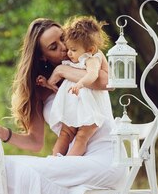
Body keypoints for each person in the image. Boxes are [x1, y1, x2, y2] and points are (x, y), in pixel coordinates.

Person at [0, 18, 125, 194]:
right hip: (73, 159)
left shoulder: (87, 60)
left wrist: (63, 70)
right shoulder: (43, 89)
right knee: (6, 164)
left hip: (106, 159)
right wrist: (4, 134)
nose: (64, 48)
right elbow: (34, 142)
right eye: (53, 47)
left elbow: (107, 82)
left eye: (62, 39)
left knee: (31, 170)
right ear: (42, 57)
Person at [40, 16, 112, 157]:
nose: (68, 52)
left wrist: (81, 83)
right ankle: (54, 161)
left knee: (81, 136)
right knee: (65, 134)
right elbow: (59, 81)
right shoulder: (75, 57)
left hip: (90, 107)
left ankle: (70, 162)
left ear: (90, 49)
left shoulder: (91, 58)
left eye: (72, 49)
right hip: (76, 105)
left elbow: (93, 75)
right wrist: (48, 83)